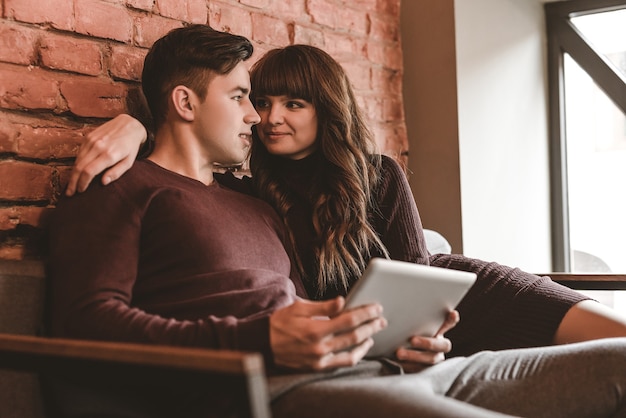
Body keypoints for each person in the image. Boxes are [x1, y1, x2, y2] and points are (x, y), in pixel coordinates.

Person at [49, 24, 626, 418]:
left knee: (616, 364)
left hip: (387, 367)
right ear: (185, 103)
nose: (257, 116)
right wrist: (260, 341)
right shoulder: (117, 186)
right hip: (284, 388)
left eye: (276, 103)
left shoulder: (257, 202)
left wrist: (395, 347)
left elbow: (307, 301)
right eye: (243, 97)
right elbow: (85, 323)